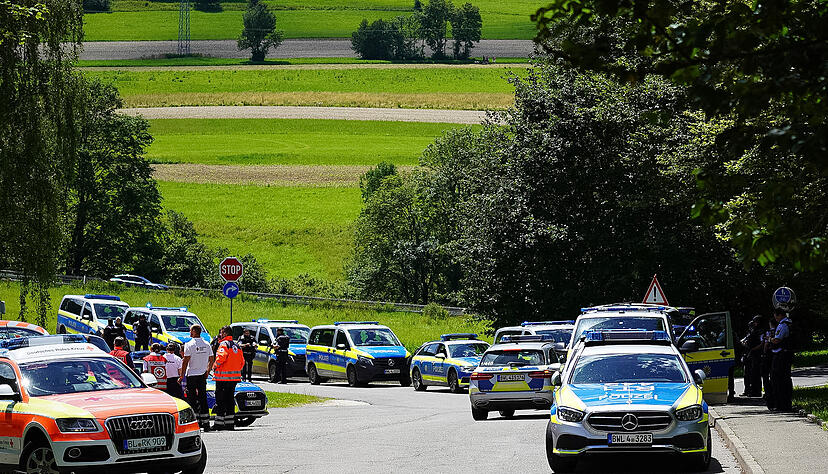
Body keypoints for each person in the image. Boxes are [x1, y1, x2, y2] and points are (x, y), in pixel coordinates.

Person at [181, 325, 214, 431]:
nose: (190, 332)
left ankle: (196, 423)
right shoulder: (206, 344)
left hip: (191, 375)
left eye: (190, 330)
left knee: (192, 399)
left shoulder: (189, 345)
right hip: (202, 374)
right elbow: (211, 359)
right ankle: (206, 423)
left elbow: (185, 361)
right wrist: (208, 371)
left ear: (194, 331)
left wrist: (182, 375)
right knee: (203, 398)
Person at [211, 326, 244, 431]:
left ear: (224, 333)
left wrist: (214, 366)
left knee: (220, 400)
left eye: (221, 333)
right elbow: (242, 362)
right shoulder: (237, 345)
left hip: (222, 378)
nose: (220, 335)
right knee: (230, 400)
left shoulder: (223, 344)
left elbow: (221, 357)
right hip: (234, 378)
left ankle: (219, 424)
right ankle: (230, 424)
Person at [769, 308, 794, 411]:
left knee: (778, 379)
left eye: (776, 316)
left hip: (781, 355)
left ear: (779, 315)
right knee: (785, 379)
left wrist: (769, 339)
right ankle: (785, 403)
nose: (775, 318)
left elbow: (777, 340)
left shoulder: (783, 325)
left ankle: (781, 404)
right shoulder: (790, 323)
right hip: (787, 354)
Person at [740, 315, 765, 397]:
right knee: (750, 373)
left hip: (756, 354)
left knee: (756, 373)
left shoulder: (760, 331)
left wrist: (753, 349)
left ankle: (756, 391)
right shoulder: (754, 331)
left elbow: (762, 343)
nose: (754, 323)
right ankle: (751, 390)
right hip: (750, 354)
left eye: (755, 322)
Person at [761, 318, 777, 404]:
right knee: (774, 376)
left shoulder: (769, 332)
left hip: (768, 355)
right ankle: (774, 393)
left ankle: (768, 393)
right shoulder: (778, 329)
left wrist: (764, 353)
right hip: (775, 354)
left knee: (766, 376)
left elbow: (766, 344)